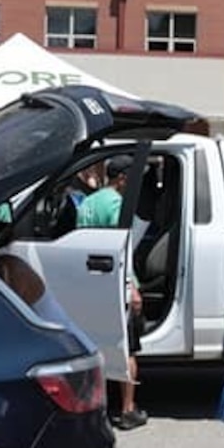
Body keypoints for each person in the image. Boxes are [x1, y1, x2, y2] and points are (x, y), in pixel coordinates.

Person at [75, 154, 147, 430]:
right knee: (126, 345)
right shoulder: (117, 204)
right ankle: (128, 409)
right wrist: (132, 286)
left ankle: (94, 406)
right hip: (116, 281)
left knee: (95, 345)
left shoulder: (88, 203)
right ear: (122, 179)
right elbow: (121, 247)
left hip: (91, 281)